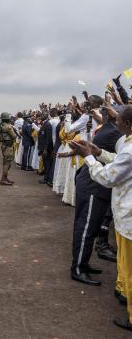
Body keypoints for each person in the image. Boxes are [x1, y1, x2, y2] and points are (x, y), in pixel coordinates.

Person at [70, 106, 132, 332]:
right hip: (109, 198)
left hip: (120, 204)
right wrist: (97, 153)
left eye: (119, 120)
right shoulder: (124, 139)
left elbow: (110, 173)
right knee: (89, 232)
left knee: (127, 263)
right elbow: (115, 162)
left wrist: (89, 156)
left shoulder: (127, 144)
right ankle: (82, 269)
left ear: (127, 124)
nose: (116, 122)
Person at [69, 106, 122, 286]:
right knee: (85, 228)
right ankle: (78, 269)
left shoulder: (111, 129)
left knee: (90, 229)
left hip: (94, 184)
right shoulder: (116, 134)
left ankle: (83, 263)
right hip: (94, 185)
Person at [0, 113, 17, 185]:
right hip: (8, 147)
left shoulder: (1, 126)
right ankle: (3, 179)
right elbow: (14, 136)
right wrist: (14, 129)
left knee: (5, 162)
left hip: (4, 145)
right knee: (7, 163)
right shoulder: (8, 127)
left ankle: (4, 178)